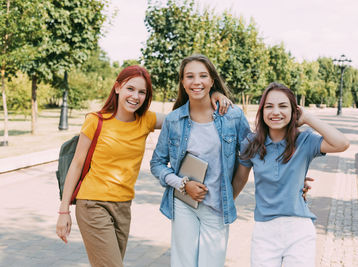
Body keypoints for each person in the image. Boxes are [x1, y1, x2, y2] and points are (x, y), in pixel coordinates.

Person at [55, 65, 231, 267]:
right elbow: (76, 165)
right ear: (117, 88)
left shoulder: (146, 120)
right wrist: (63, 212)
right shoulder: (96, 121)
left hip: (123, 206)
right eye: (130, 89)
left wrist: (212, 93)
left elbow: (184, 116)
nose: (135, 96)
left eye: (142, 92)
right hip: (92, 204)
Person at [232, 82, 350, 267]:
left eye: (283, 106)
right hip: (264, 231)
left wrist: (308, 118)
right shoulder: (251, 143)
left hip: (299, 230)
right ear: (262, 111)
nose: (275, 112)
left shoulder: (304, 141)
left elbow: (341, 143)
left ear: (294, 111)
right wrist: (223, 208)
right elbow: (240, 179)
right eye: (269, 106)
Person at [150, 54, 252, 267]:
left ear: (212, 80)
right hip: (183, 203)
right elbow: (157, 163)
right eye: (190, 76)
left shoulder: (233, 116)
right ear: (183, 82)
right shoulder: (174, 120)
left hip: (217, 206)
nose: (196, 82)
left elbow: (251, 156)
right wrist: (183, 184)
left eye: (203, 76)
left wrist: (229, 196)